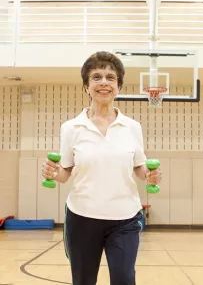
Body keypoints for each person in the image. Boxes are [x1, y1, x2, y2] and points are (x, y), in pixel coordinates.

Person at [41, 51, 162, 285]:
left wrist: (149, 175)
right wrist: (53, 173)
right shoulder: (71, 128)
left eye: (110, 77)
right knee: (84, 281)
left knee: (124, 279)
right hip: (82, 218)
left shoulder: (132, 127)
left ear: (119, 87)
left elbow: (139, 167)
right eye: (96, 77)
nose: (104, 82)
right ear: (86, 86)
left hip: (125, 218)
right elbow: (65, 172)